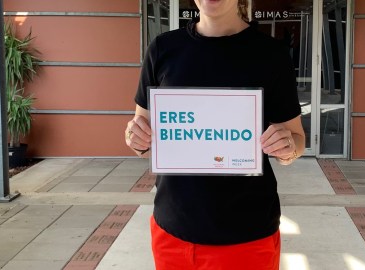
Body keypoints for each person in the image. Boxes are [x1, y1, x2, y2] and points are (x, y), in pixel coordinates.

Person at [125, 0, 306, 269]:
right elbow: (141, 131)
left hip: (247, 234)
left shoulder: (271, 54)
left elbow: (297, 139)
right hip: (173, 230)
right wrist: (136, 139)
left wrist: (288, 147)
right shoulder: (163, 49)